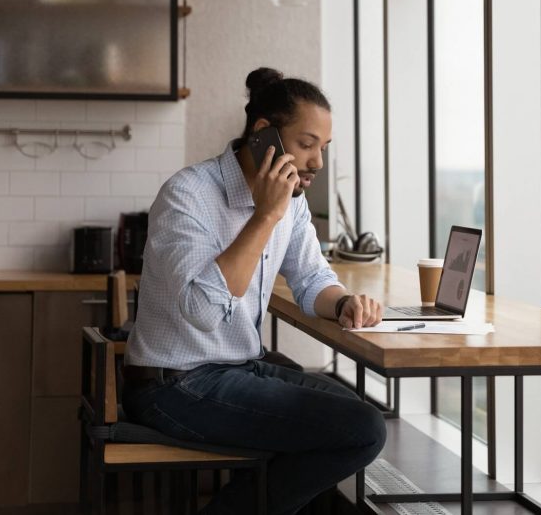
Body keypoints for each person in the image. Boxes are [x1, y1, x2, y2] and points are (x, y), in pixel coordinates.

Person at [123, 67, 387, 514]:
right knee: (359, 427)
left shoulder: (293, 204)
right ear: (264, 134)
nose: (317, 163)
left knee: (353, 414)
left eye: (322, 148)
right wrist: (264, 216)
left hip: (238, 367)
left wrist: (343, 301)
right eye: (306, 145)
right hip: (173, 385)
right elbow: (202, 312)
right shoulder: (187, 194)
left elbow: (311, 279)